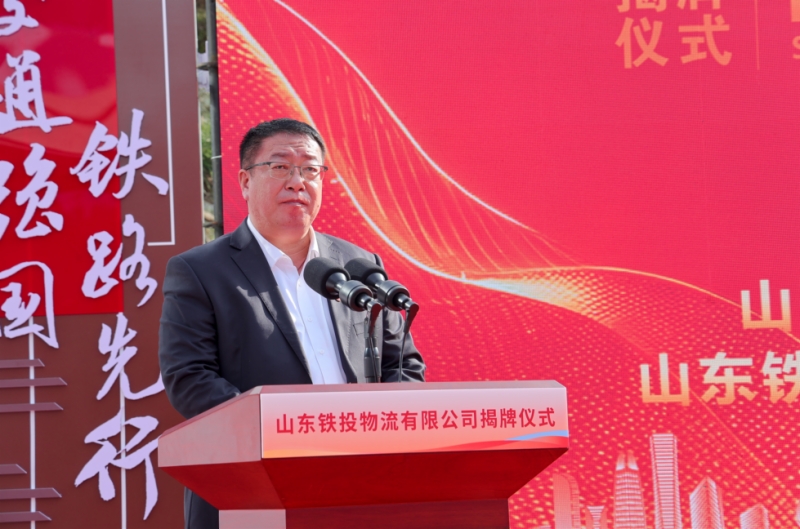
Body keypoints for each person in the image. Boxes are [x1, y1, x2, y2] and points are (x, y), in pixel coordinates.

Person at [158, 118, 426, 529]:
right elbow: (190, 378)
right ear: (246, 181)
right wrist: (284, 434)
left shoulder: (359, 265)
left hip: (360, 486)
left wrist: (380, 441)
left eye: (310, 169)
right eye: (280, 166)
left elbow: (402, 366)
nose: (297, 181)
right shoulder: (200, 271)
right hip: (254, 487)